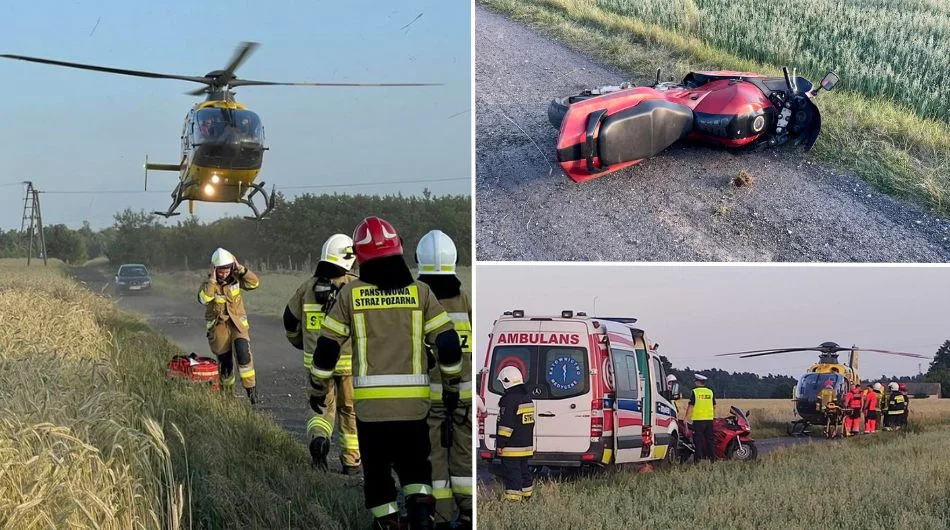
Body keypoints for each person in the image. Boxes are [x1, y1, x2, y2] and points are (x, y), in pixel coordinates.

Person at [309, 216, 463, 530]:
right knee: (416, 471)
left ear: (360, 258)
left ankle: (389, 523)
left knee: (378, 476)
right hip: (413, 409)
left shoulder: (351, 296)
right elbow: (448, 345)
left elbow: (326, 349)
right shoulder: (420, 293)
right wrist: (450, 387)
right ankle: (421, 513)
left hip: (371, 412)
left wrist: (317, 388)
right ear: (399, 251)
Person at [283, 234, 361, 474]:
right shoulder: (354, 287)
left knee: (320, 409)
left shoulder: (306, 288)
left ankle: (319, 439)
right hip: (349, 365)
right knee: (349, 410)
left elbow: (290, 321)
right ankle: (351, 461)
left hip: (316, 365)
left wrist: (301, 344)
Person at [415, 229, 473, 529]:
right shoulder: (464, 299)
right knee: (464, 456)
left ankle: (439, 515)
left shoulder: (417, 301)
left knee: (433, 456)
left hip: (430, 396)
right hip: (463, 393)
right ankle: (468, 513)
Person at [197, 248, 260, 404]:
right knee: (226, 363)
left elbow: (254, 283)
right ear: (214, 270)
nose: (224, 274)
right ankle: (227, 396)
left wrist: (241, 269)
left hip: (237, 325)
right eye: (220, 271)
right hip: (219, 328)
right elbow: (203, 299)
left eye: (227, 270)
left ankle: (251, 390)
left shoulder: (237, 278)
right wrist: (212, 281)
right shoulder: (208, 284)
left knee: (243, 354)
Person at [495, 366, 535, 502]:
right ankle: (527, 498)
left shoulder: (509, 400)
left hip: (511, 448)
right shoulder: (527, 398)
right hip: (525, 446)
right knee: (524, 473)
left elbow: (506, 426)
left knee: (512, 476)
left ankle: (513, 502)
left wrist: (500, 444)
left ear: (507, 381)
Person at [683, 373, 716, 462]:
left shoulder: (695, 392)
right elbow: (714, 406)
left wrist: (686, 418)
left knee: (697, 441)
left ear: (698, 382)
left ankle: (698, 460)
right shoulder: (710, 392)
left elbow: (691, 406)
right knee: (710, 440)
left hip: (698, 420)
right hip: (709, 419)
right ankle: (712, 459)